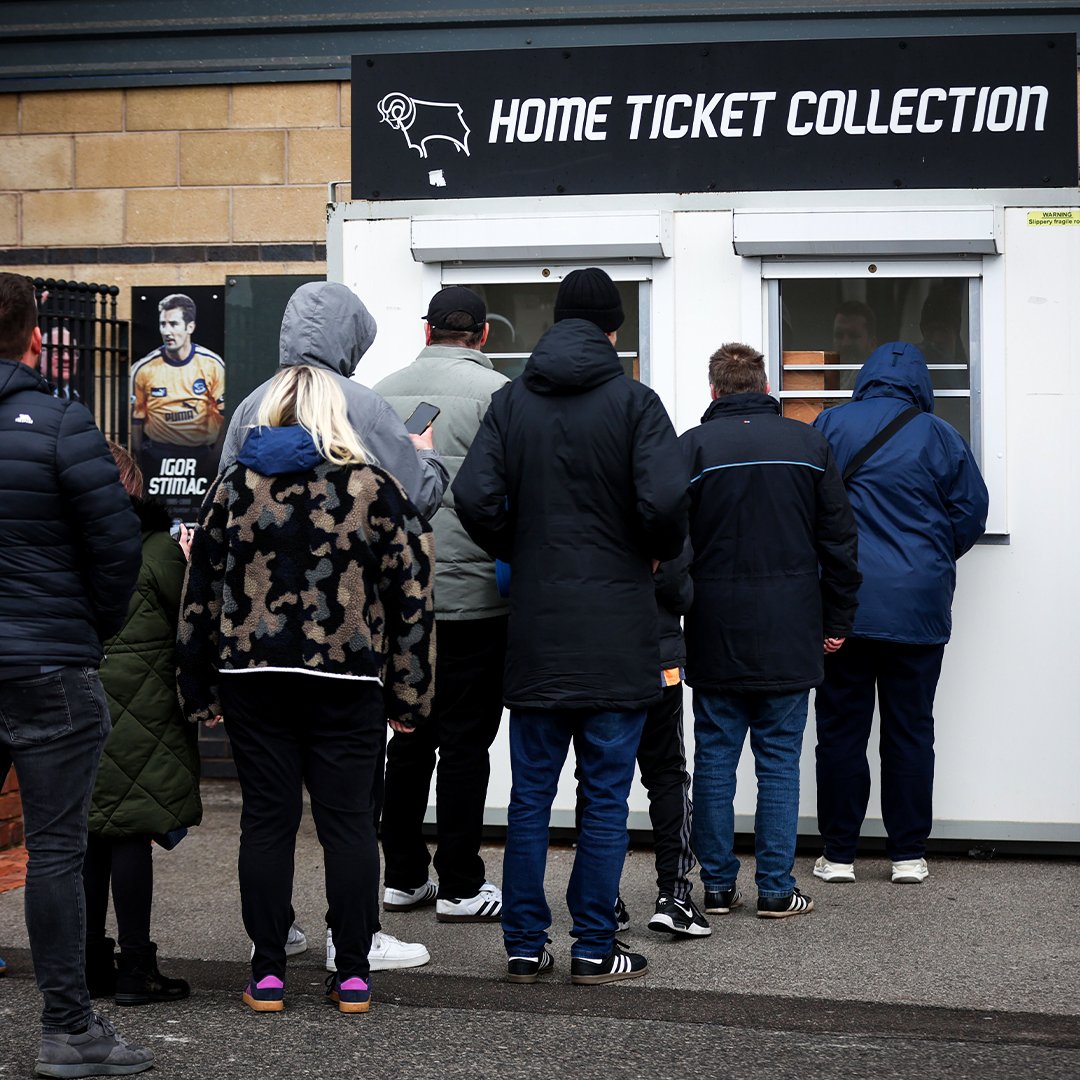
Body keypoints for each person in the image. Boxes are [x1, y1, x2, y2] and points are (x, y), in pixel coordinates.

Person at [176, 361, 435, 1015]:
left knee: (267, 821)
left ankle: (267, 974)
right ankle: (352, 974)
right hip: (344, 677)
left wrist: (196, 684)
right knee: (348, 825)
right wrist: (410, 693)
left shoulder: (233, 486)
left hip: (251, 676)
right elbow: (412, 593)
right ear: (334, 415)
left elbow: (199, 591)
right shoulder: (372, 486)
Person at [455, 267, 687, 984]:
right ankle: (592, 946)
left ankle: (524, 944)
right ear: (615, 329)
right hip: (617, 630)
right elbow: (667, 502)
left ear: (559, 323)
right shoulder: (637, 403)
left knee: (529, 796)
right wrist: (649, 549)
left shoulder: (510, 401)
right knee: (606, 795)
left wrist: (516, 545)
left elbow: (472, 495)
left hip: (539, 631)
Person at [0, 272, 151, 1076]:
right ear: (33, 339)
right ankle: (68, 1031)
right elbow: (118, 546)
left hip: (44, 652)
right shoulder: (62, 424)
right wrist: (91, 627)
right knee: (57, 851)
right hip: (50, 664)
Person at [680, 342, 860, 920]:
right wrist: (837, 620)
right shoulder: (809, 444)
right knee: (780, 760)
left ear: (714, 390)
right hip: (791, 626)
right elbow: (839, 542)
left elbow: (669, 547)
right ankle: (778, 890)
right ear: (763, 385)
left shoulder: (693, 449)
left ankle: (716, 887)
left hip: (714, 628)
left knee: (713, 758)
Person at [811, 341, 988, 885]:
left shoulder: (830, 426)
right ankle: (908, 855)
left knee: (841, 728)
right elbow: (971, 513)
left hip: (844, 607)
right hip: (917, 607)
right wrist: (929, 559)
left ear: (865, 379)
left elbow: (806, 504)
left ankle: (839, 855)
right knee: (911, 729)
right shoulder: (940, 436)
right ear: (921, 383)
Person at [373, 286, 510, 925]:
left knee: (407, 739)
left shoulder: (377, 394)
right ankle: (460, 884)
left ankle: (401, 875)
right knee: (464, 746)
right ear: (482, 335)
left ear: (427, 330)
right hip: (475, 599)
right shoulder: (498, 396)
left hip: (398, 600)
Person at [82, 442, 201, 1007]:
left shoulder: (57, 545)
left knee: (85, 837)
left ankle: (86, 962)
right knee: (131, 833)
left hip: (75, 704)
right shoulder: (156, 548)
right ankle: (136, 968)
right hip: (146, 711)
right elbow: (190, 623)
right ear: (133, 484)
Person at [219, 281, 448, 522]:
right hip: (344, 557)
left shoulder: (251, 405)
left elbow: (225, 499)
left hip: (262, 556)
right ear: (352, 338)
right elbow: (415, 499)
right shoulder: (368, 408)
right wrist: (427, 455)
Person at [573, 539, 710, 939]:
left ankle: (604, 900)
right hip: (655, 656)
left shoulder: (584, 494)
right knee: (666, 775)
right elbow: (678, 588)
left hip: (595, 659)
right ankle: (675, 898)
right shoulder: (660, 496)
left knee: (597, 781)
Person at [130, 292, 226, 474]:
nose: (167, 331)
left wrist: (214, 459)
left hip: (202, 454)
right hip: (157, 454)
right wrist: (140, 463)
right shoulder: (143, 368)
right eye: (162, 324)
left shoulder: (212, 364)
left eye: (173, 324)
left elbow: (227, 417)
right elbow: (136, 420)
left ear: (190, 327)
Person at [830, 300, 878, 392]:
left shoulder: (878, 386)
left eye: (854, 335)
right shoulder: (822, 381)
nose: (845, 343)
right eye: (839, 335)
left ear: (872, 344)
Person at [43, 326, 80, 400]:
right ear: (41, 357)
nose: (66, 358)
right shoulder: (33, 395)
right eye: (58, 352)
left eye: (72, 353)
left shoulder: (79, 400)